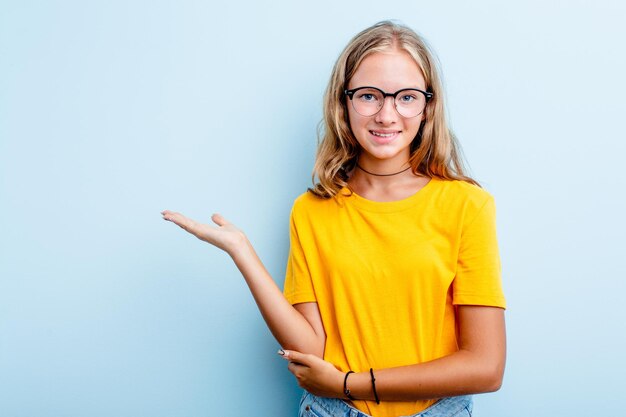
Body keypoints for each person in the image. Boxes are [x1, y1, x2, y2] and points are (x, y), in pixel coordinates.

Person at [162, 20, 506, 417]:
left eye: (406, 97)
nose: (386, 114)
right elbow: (312, 352)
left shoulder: (467, 205)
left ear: (429, 106)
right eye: (368, 96)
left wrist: (349, 383)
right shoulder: (311, 210)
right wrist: (242, 253)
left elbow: (486, 367)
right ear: (343, 102)